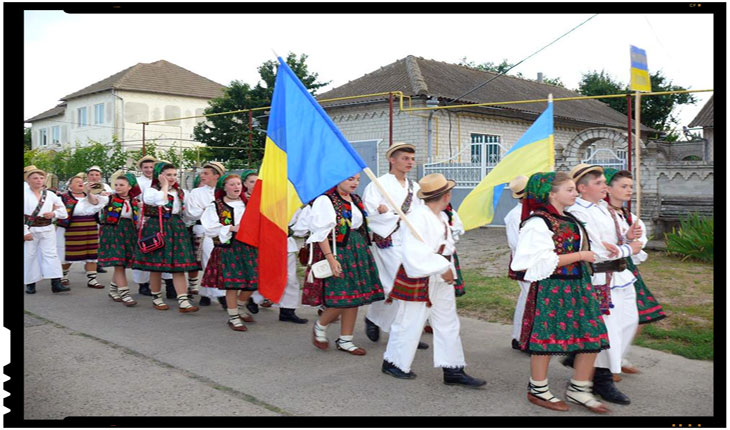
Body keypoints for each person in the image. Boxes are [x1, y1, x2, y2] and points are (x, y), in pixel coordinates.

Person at [510, 171, 611, 413]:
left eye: (575, 189)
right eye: (570, 189)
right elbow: (534, 260)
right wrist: (580, 256)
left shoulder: (571, 218)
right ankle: (538, 388)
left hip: (578, 284)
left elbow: (591, 247)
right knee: (545, 338)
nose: (575, 193)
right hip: (552, 287)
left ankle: (579, 387)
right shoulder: (538, 222)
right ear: (551, 194)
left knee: (592, 334)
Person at [381, 173, 485, 388]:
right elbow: (413, 254)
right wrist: (442, 267)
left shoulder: (443, 217)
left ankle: (453, 368)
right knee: (410, 321)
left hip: (441, 276)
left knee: (448, 322)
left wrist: (446, 267)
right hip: (422, 276)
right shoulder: (418, 218)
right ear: (446, 195)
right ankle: (394, 362)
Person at [566, 163, 643, 406]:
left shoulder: (604, 208)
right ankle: (601, 379)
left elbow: (616, 239)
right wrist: (627, 248)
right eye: (598, 183)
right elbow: (598, 249)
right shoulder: (579, 212)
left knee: (629, 322)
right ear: (582, 187)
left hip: (621, 276)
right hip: (601, 279)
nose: (604, 186)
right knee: (606, 331)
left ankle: (590, 364)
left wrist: (627, 237)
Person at [305, 174, 385, 355]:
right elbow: (321, 233)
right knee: (342, 297)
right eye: (350, 179)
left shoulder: (355, 199)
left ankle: (346, 340)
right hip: (337, 251)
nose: (355, 183)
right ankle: (320, 326)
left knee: (354, 297)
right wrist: (330, 259)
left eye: (357, 179)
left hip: (357, 249)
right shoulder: (326, 200)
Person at [360, 142, 430, 350]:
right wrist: (386, 214)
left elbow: (421, 212)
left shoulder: (414, 187)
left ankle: (374, 318)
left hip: (409, 241)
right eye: (405, 158)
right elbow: (370, 213)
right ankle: (404, 333)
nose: (410, 162)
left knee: (398, 285)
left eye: (411, 159)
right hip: (388, 240)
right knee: (398, 285)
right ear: (392, 160)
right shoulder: (378, 184)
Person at [603, 168, 666, 378]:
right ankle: (606, 364)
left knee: (637, 317)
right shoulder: (601, 214)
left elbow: (640, 246)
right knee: (612, 320)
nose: (629, 190)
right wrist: (627, 241)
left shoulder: (630, 216)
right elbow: (604, 245)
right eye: (624, 186)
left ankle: (617, 358)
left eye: (631, 186)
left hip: (628, 271)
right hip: (610, 271)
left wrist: (635, 240)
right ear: (609, 189)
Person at [132, 162, 201, 313]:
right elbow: (159, 201)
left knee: (179, 266)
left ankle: (183, 300)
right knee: (156, 266)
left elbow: (188, 213)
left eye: (174, 175)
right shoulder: (151, 191)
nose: (172, 178)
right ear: (159, 175)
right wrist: (163, 186)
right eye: (168, 175)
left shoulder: (181, 192)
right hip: (157, 227)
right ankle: (156, 297)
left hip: (176, 227)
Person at [201, 174, 260, 331]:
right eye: (232, 184)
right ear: (224, 187)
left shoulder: (249, 203)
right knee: (232, 285)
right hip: (228, 249)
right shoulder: (215, 206)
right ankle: (233, 317)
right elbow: (209, 227)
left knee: (253, 281)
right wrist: (231, 228)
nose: (236, 187)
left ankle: (240, 306)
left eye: (238, 184)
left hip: (248, 248)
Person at [185, 161, 227, 308]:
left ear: (217, 176)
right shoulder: (196, 193)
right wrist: (210, 211)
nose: (202, 176)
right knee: (209, 261)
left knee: (219, 262)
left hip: (223, 230)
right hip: (204, 231)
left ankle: (205, 292)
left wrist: (207, 210)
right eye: (202, 173)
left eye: (206, 173)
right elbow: (191, 213)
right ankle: (220, 295)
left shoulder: (224, 191)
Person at [97, 172, 143, 306]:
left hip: (128, 231)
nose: (118, 187)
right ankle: (125, 293)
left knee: (122, 262)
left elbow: (138, 218)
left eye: (121, 185)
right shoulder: (109, 198)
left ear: (129, 187)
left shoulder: (135, 201)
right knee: (118, 262)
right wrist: (92, 193)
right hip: (113, 230)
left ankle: (113, 289)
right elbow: (96, 201)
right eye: (116, 185)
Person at [56, 174, 109, 289]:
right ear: (70, 185)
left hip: (90, 227)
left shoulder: (90, 196)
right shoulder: (64, 198)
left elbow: (95, 203)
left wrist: (90, 192)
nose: (80, 183)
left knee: (92, 254)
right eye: (76, 182)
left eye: (81, 181)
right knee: (67, 254)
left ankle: (92, 279)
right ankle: (63, 276)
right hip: (71, 229)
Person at [24, 165, 69, 294]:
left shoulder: (50, 194)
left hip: (47, 228)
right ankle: (30, 283)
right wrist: (24, 232)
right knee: (29, 255)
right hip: (30, 228)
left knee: (51, 254)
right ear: (28, 180)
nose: (39, 180)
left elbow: (63, 211)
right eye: (35, 178)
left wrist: (53, 214)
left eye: (41, 178)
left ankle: (56, 283)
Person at [504, 175, 531, 350]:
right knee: (530, 299)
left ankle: (518, 335)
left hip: (532, 262)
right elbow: (515, 242)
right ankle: (524, 338)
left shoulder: (530, 212)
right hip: (526, 262)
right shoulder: (515, 216)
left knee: (526, 298)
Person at [132, 155, 158, 296]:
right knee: (144, 249)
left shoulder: (159, 181)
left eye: (151, 167)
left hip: (159, 218)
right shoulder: (138, 182)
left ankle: (164, 281)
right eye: (146, 167)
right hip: (143, 218)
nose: (149, 170)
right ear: (141, 168)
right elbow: (133, 198)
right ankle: (143, 283)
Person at [86, 165, 113, 273]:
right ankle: (88, 263)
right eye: (92, 175)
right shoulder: (84, 186)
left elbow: (110, 197)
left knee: (98, 241)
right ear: (88, 176)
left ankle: (97, 263)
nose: (94, 177)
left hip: (101, 216)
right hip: (88, 216)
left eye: (96, 175)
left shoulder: (105, 186)